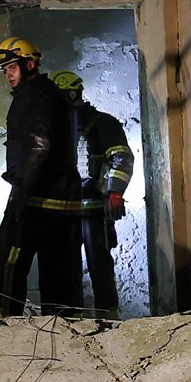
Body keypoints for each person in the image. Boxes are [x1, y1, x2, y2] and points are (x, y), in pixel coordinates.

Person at [0, 37, 83, 317]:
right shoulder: (55, 95)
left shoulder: (31, 96)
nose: (8, 75)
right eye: (5, 70)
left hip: (37, 200)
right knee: (59, 275)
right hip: (64, 202)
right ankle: (63, 333)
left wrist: (22, 195)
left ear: (30, 64)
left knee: (5, 268)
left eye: (12, 67)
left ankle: (5, 327)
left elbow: (40, 145)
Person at [51, 70, 135, 319]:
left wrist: (115, 193)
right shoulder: (57, 129)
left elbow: (121, 158)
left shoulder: (102, 123)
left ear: (73, 94)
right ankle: (71, 323)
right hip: (64, 210)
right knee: (66, 270)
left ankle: (109, 320)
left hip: (95, 210)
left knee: (99, 265)